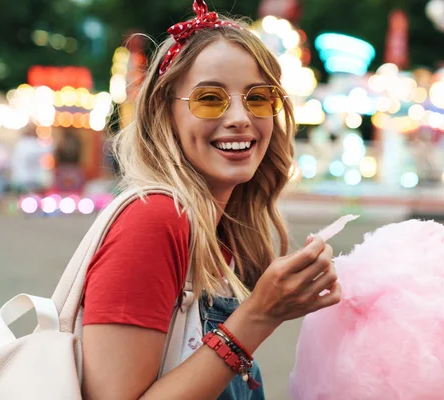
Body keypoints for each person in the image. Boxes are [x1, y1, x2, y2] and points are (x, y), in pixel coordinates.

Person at [80, 1, 341, 399]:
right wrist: (258, 316)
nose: (240, 117)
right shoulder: (155, 220)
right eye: (209, 98)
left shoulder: (224, 236)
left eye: (258, 98)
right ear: (165, 114)